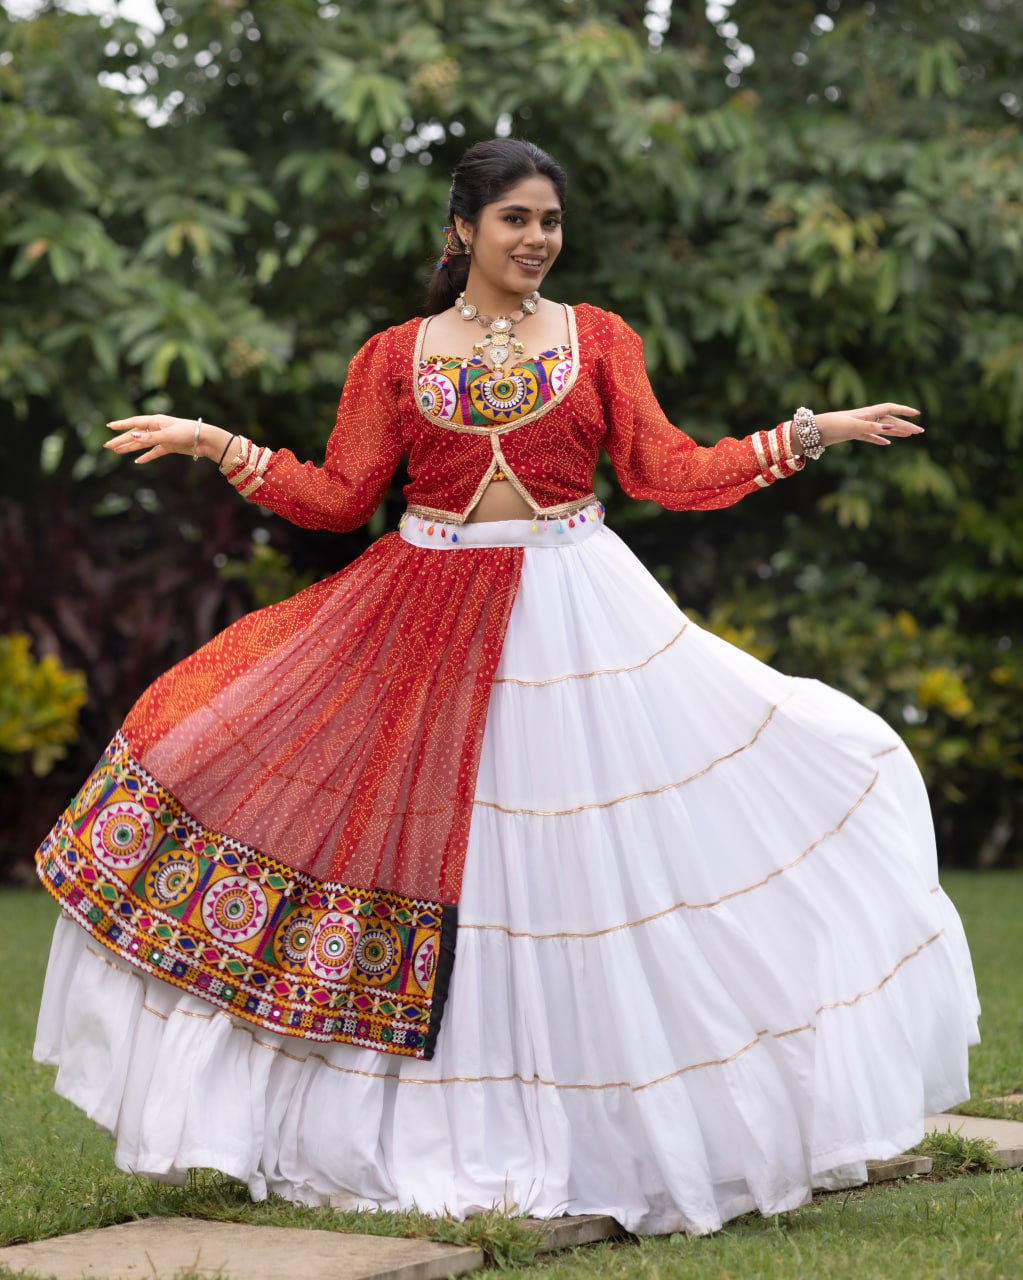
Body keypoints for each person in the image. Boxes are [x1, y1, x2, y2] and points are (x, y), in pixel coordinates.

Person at [34, 138, 979, 1237]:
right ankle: (427, 1126)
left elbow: (667, 471)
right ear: (463, 232)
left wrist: (809, 431)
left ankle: (607, 1133)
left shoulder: (601, 340)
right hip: (424, 615)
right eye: (515, 220)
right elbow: (340, 497)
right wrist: (215, 442)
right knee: (457, 868)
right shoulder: (394, 357)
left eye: (549, 221)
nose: (536, 239)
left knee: (590, 869)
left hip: (581, 614)